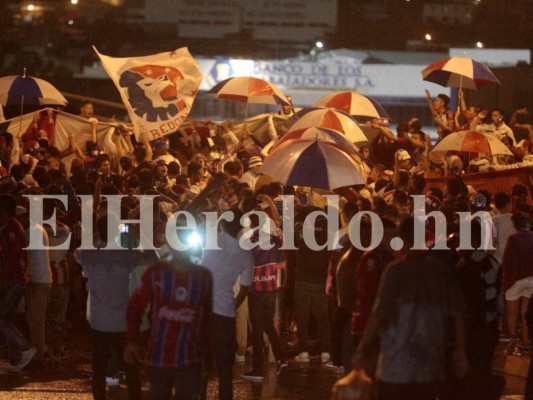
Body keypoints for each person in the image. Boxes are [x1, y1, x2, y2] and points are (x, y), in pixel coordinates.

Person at [344, 217, 468, 400]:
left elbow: (379, 313)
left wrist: (362, 347)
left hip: (395, 364)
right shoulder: (439, 271)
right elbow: (458, 312)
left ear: (402, 239)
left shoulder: (395, 271)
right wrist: (460, 349)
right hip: (430, 362)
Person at [125, 222, 213, 400]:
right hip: (160, 355)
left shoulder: (203, 277)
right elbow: (135, 308)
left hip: (189, 357)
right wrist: (132, 341)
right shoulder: (156, 273)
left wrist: (208, 354)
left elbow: (207, 319)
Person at [75, 214, 157, 400]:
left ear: (99, 231)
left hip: (98, 321)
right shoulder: (127, 255)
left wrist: (94, 238)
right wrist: (138, 235)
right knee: (131, 368)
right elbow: (154, 257)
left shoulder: (89, 255)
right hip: (122, 321)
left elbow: (77, 252)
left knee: (98, 369)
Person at [201, 208, 255, 400]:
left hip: (203, 313)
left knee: (201, 368)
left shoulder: (211, 241)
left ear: (222, 223)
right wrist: (233, 304)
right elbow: (245, 287)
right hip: (225, 314)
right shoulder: (245, 254)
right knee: (225, 371)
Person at [0, 195, 36, 373]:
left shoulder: (12, 229)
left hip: (13, 280)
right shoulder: (8, 227)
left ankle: (24, 348)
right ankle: (15, 360)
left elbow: (12, 258)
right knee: (9, 317)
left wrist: (3, 279)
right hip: (13, 279)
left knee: (1, 317)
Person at [501, 212, 533, 355]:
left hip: (516, 280)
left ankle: (513, 341)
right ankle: (525, 343)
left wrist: (505, 283)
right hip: (531, 279)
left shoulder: (513, 239)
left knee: (512, 314)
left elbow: (508, 262)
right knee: (525, 312)